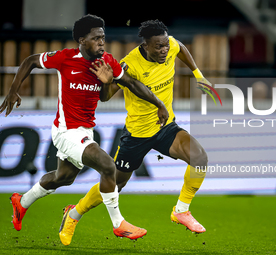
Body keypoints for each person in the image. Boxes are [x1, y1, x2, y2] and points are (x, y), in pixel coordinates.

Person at [0, 14, 169, 242]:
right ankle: (119, 224)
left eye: (103, 38)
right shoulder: (65, 58)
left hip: (85, 130)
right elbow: (30, 60)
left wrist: (157, 102)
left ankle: (22, 202)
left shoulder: (107, 61)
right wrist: (13, 90)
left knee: (63, 177)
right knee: (108, 165)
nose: (101, 42)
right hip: (66, 130)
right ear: (82, 40)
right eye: (96, 38)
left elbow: (130, 83)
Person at [58, 20, 208, 245]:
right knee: (115, 185)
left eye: (165, 45)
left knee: (200, 158)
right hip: (137, 135)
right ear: (145, 45)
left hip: (165, 126)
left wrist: (197, 73)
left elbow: (181, 49)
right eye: (158, 47)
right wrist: (107, 82)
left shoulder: (171, 46)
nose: (164, 50)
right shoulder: (130, 64)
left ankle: (181, 210)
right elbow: (105, 97)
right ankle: (73, 214)